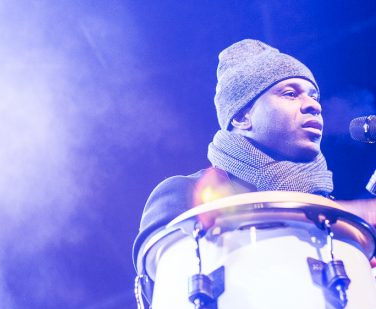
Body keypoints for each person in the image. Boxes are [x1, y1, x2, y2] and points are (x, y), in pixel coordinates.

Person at [133, 39, 375, 268]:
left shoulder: (342, 221)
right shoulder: (187, 192)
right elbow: (168, 286)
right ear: (241, 117)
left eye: (313, 96)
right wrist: (345, 214)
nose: (314, 105)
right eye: (290, 93)